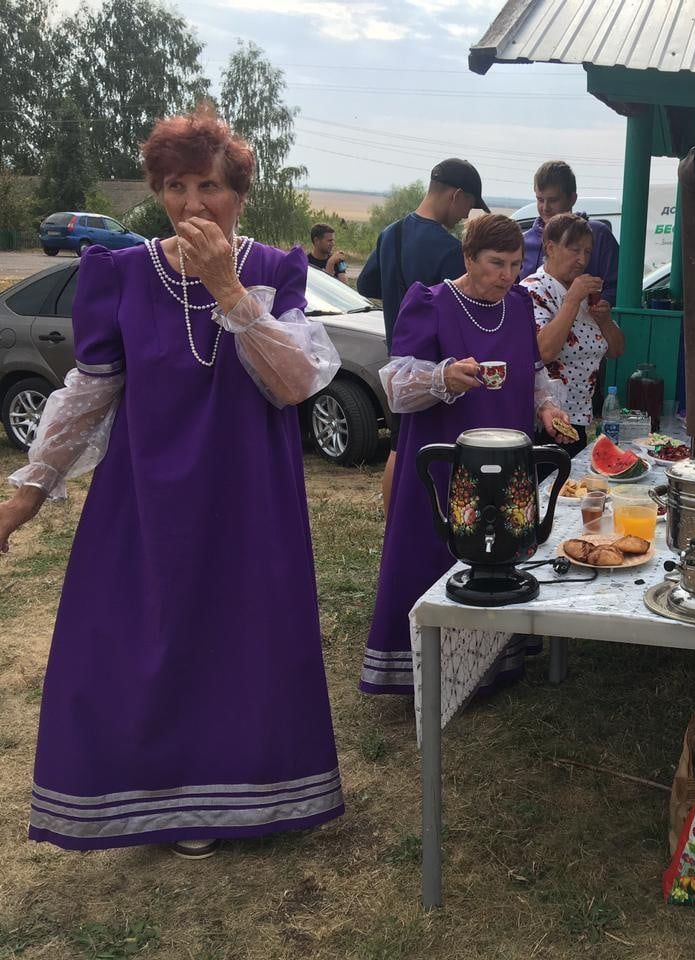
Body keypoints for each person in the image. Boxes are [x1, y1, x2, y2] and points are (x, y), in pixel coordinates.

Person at [0, 105, 345, 858]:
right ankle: (163, 801)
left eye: (210, 186)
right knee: (146, 640)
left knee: (243, 639)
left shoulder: (277, 272)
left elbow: (293, 383)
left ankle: (247, 796)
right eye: (176, 186)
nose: (193, 204)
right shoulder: (119, 274)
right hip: (148, 496)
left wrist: (228, 285)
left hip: (251, 494)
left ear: (240, 193)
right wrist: (24, 497)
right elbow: (89, 394)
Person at [361, 214, 574, 699]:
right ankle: (426, 669)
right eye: (496, 264)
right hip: (444, 456)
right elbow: (396, 387)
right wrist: (443, 378)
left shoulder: (519, 305)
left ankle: (493, 663)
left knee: (500, 547)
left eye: (516, 264)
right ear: (468, 258)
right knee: (433, 550)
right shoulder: (430, 302)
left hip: (508, 450)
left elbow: (532, 370)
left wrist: (545, 405)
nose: (508, 275)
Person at [357, 158, 487, 509]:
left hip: (398, 362)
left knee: (399, 446)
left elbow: (366, 282)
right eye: (469, 206)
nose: (465, 216)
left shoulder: (391, 234)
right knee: (434, 453)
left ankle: (393, 525)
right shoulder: (448, 250)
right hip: (439, 367)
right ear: (456, 196)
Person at [521, 212, 625, 458]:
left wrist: (605, 321)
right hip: (545, 420)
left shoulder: (584, 293)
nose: (582, 259)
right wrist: (571, 301)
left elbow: (617, 350)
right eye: (574, 249)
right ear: (551, 248)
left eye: (588, 252)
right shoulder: (532, 290)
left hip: (579, 418)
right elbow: (543, 351)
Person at [519, 160, 620, 305]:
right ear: (550, 248)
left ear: (572, 199)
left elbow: (617, 289)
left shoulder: (599, 235)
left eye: (553, 200)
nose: (545, 207)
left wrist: (598, 306)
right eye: (540, 199)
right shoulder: (523, 243)